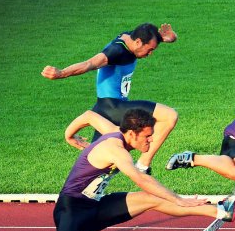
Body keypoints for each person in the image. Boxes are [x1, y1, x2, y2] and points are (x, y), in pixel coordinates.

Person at [0, 109, 235, 231]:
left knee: (151, 200)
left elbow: (89, 116)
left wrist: (69, 135)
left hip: (97, 206)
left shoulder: (115, 131)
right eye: (147, 136)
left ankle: (221, 211)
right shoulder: (115, 149)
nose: (151, 141)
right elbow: (140, 178)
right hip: (72, 210)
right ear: (132, 134)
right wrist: (180, 200)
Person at [41, 22, 180, 174]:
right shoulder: (116, 51)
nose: (150, 53)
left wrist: (169, 38)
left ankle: (86, 186)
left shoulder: (133, 38)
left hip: (107, 108)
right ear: (138, 42)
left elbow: (154, 38)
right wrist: (61, 73)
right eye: (150, 49)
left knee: (100, 167)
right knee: (169, 116)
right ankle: (142, 166)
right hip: (112, 108)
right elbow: (89, 64)